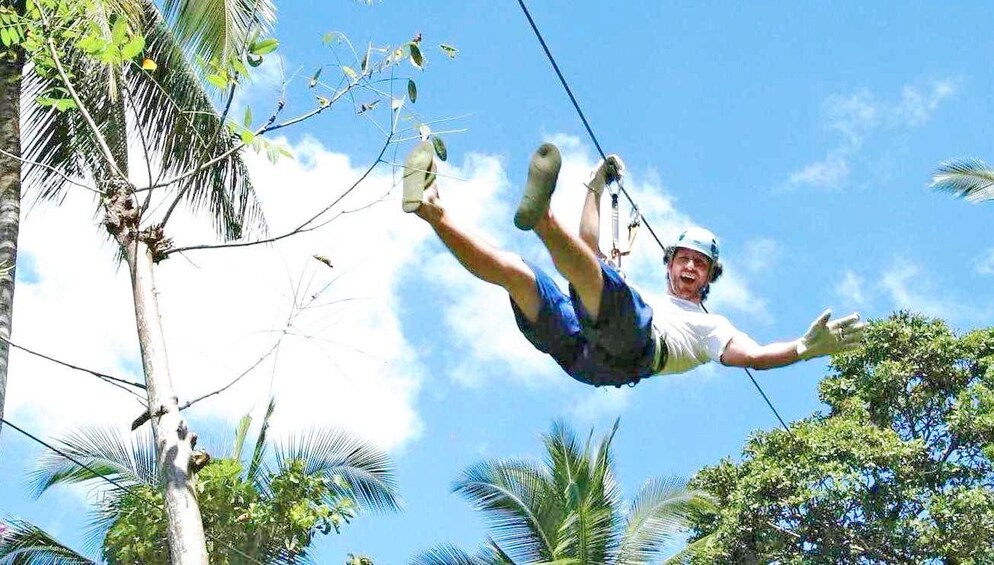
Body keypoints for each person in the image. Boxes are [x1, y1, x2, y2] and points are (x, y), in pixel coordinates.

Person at [402, 141, 866, 387]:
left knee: (601, 283)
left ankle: (542, 219)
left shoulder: (714, 327)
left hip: (631, 353)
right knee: (520, 276)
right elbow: (586, 247)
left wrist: (802, 348)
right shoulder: (642, 296)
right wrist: (593, 187)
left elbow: (756, 357)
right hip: (576, 343)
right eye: (682, 259)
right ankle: (431, 211)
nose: (688, 268)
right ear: (669, 266)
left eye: (699, 265)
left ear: (709, 277)